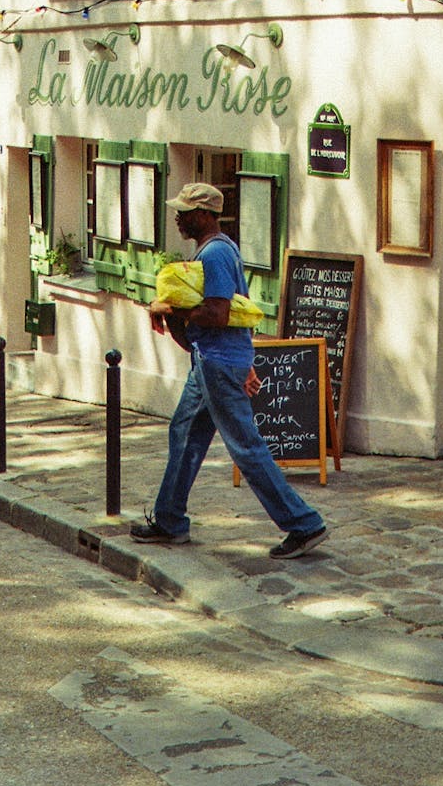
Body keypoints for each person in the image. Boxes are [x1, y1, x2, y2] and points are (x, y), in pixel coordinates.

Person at [130, 181, 328, 559]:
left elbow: (219, 313)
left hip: (217, 362)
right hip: (213, 359)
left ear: (204, 215)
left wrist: (169, 310)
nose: (177, 217)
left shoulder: (216, 254)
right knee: (185, 434)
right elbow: (240, 310)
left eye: (184, 212)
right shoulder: (221, 249)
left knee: (246, 448)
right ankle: (169, 520)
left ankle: (303, 524)